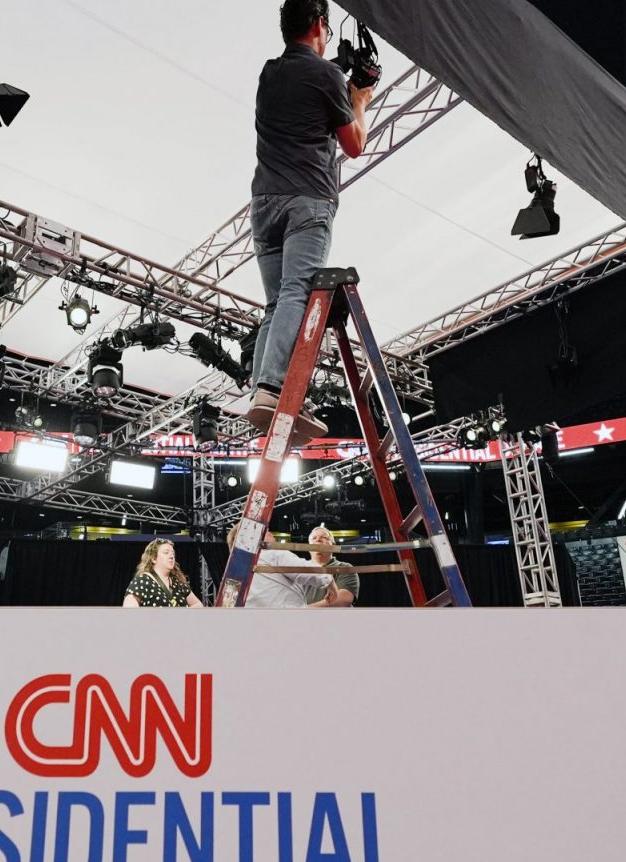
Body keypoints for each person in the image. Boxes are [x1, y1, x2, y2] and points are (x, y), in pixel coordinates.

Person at [243, 0, 375, 441]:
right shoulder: (326, 77)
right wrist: (359, 99)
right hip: (307, 201)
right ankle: (272, 389)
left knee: (276, 304)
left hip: (264, 203)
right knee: (297, 294)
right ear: (321, 23)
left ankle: (262, 390)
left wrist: (338, 76)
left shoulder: (269, 73)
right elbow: (354, 144)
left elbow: (305, 81)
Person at [227, 524, 338, 608]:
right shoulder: (273, 554)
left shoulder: (236, 573)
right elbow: (308, 572)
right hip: (288, 620)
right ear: (252, 537)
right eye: (265, 531)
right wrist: (330, 582)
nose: (270, 533)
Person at [122, 538, 205, 608]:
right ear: (154, 558)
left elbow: (199, 605)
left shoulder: (178, 582)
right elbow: (129, 611)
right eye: (166, 552)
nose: (172, 556)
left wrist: (183, 615)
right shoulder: (142, 580)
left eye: (173, 553)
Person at [302, 523, 359, 607]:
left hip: (334, 619)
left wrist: (306, 610)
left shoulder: (344, 568)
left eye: (324, 537)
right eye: (314, 538)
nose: (318, 540)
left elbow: (344, 599)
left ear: (333, 545)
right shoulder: (300, 570)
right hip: (302, 619)